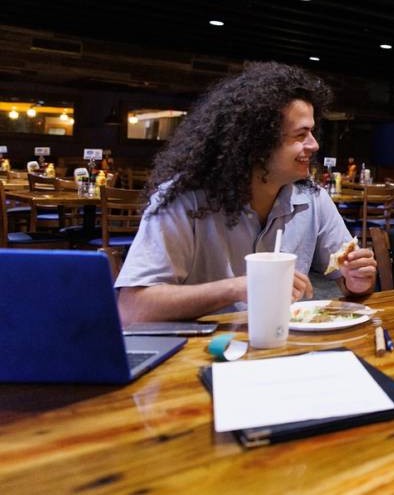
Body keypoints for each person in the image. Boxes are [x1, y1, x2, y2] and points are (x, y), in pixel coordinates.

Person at [116, 62, 377, 323]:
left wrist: (358, 280)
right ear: (257, 143)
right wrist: (237, 287)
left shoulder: (313, 198)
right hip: (201, 351)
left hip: (287, 345)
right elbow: (133, 308)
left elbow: (349, 283)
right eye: (300, 135)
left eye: (312, 132)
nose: (314, 144)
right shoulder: (185, 199)